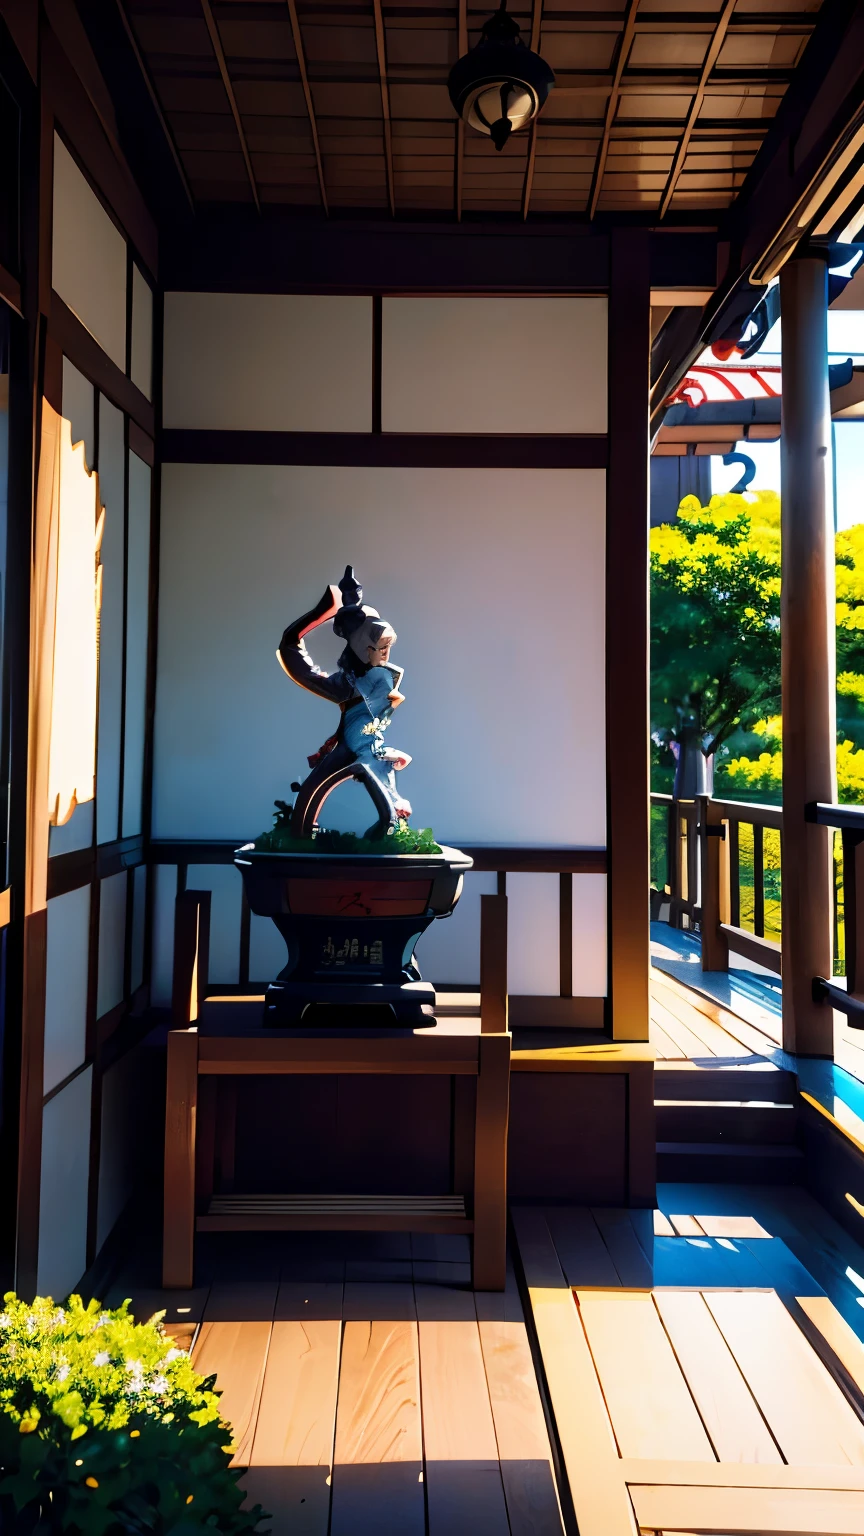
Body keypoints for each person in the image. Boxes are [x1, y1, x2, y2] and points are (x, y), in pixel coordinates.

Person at [277, 567, 412, 834]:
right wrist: (313, 621)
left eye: (388, 648)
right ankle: (303, 831)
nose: (385, 653)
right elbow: (300, 665)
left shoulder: (382, 678)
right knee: (310, 791)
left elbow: (380, 712)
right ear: (364, 649)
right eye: (380, 648)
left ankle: (390, 824)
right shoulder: (347, 682)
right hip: (350, 743)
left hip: (367, 746)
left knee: (381, 784)